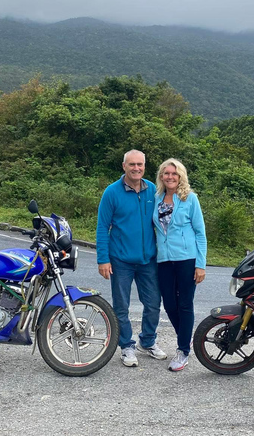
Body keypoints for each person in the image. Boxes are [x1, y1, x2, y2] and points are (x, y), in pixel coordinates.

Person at [96, 150, 167, 367]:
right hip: (121, 260)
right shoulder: (112, 192)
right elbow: (102, 227)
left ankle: (147, 341)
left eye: (140, 164)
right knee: (121, 306)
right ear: (124, 166)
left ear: (145, 166)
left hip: (148, 260)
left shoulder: (153, 190)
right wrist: (103, 259)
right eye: (132, 164)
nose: (136, 168)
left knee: (154, 303)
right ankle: (126, 346)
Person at [152, 158, 207, 372]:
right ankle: (186, 337)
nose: (170, 177)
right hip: (164, 259)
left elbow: (200, 233)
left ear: (180, 176)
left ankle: (183, 350)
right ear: (161, 176)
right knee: (169, 305)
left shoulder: (190, 199)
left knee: (185, 304)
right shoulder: (156, 198)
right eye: (166, 173)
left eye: (174, 174)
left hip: (186, 259)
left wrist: (200, 264)